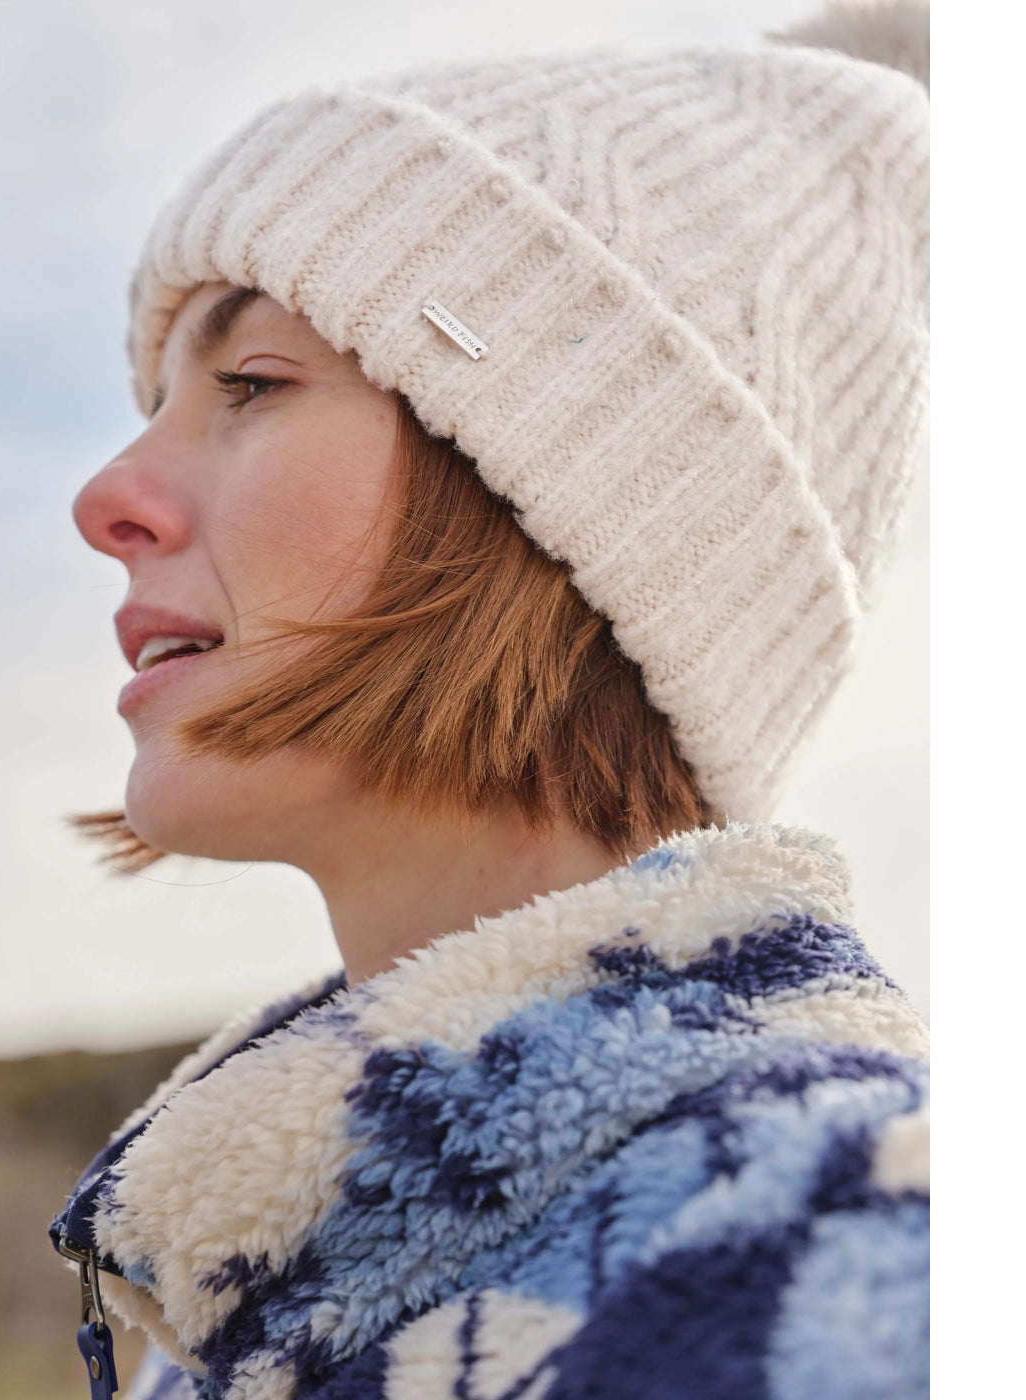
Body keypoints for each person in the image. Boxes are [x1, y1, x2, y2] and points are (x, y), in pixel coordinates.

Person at [50, 4, 930, 1397]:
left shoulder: (874, 1260)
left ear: (577, 504)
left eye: (252, 382)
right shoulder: (223, 1322)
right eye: (155, 399)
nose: (109, 497)